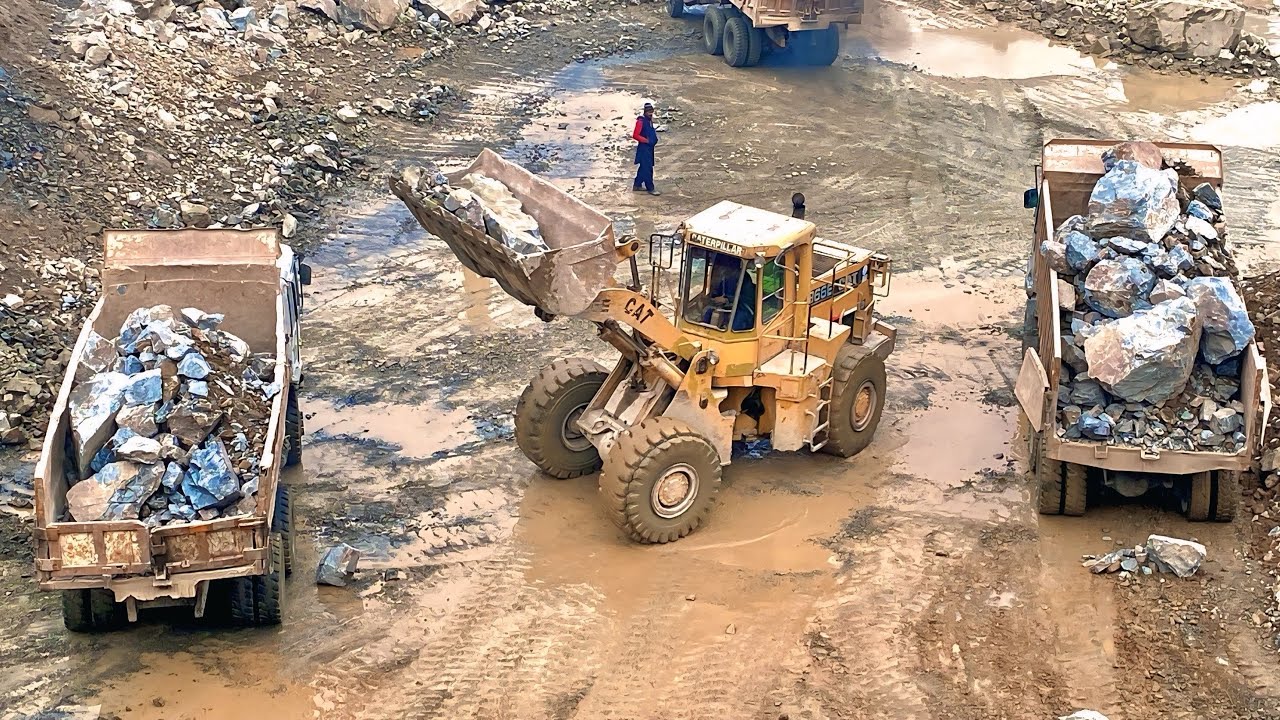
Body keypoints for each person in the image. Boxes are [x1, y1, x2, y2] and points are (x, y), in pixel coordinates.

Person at [632, 102, 660, 196]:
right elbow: (635, 135)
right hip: (644, 149)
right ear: (645, 112)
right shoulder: (640, 121)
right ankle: (650, 188)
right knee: (647, 169)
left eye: (652, 111)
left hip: (649, 149)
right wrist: (646, 141)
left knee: (644, 167)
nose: (651, 113)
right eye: (649, 112)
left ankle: (637, 185)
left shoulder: (649, 121)